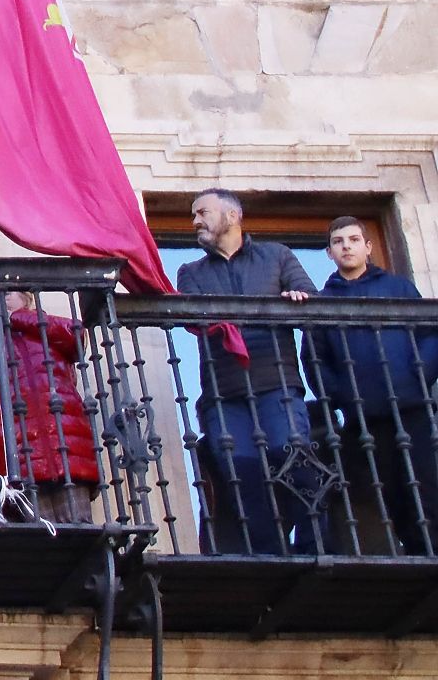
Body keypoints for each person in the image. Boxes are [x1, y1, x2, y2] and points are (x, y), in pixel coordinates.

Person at [177, 188, 320, 554]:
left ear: (232, 216)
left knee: (294, 457)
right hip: (223, 393)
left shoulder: (276, 256)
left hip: (276, 383)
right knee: (241, 477)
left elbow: (309, 295)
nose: (195, 221)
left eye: (202, 212)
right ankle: (271, 553)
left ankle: (314, 544)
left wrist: (296, 299)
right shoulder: (190, 271)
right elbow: (192, 315)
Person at [306, 216, 438, 554]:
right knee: (388, 492)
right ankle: (416, 556)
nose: (346, 246)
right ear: (329, 252)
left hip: (413, 410)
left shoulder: (398, 289)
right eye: (338, 241)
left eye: (353, 239)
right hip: (364, 419)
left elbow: (430, 336)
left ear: (368, 247)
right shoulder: (324, 302)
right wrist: (345, 397)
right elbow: (315, 360)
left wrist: (417, 376)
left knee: (427, 486)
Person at [0, 291, 101, 523]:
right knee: (37, 526)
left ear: (26, 298)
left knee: (78, 521)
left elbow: (77, 336)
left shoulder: (43, 327)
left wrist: (20, 317)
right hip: (19, 441)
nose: (2, 298)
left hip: (65, 436)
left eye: (8, 292)